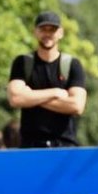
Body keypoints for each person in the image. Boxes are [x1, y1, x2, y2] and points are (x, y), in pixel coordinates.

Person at [6, 11, 87, 148]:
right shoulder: (22, 63)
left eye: (52, 30)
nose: (47, 34)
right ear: (35, 32)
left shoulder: (72, 64)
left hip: (64, 146)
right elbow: (15, 99)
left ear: (60, 33)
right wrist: (55, 93)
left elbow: (77, 106)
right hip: (31, 146)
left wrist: (31, 97)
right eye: (43, 29)